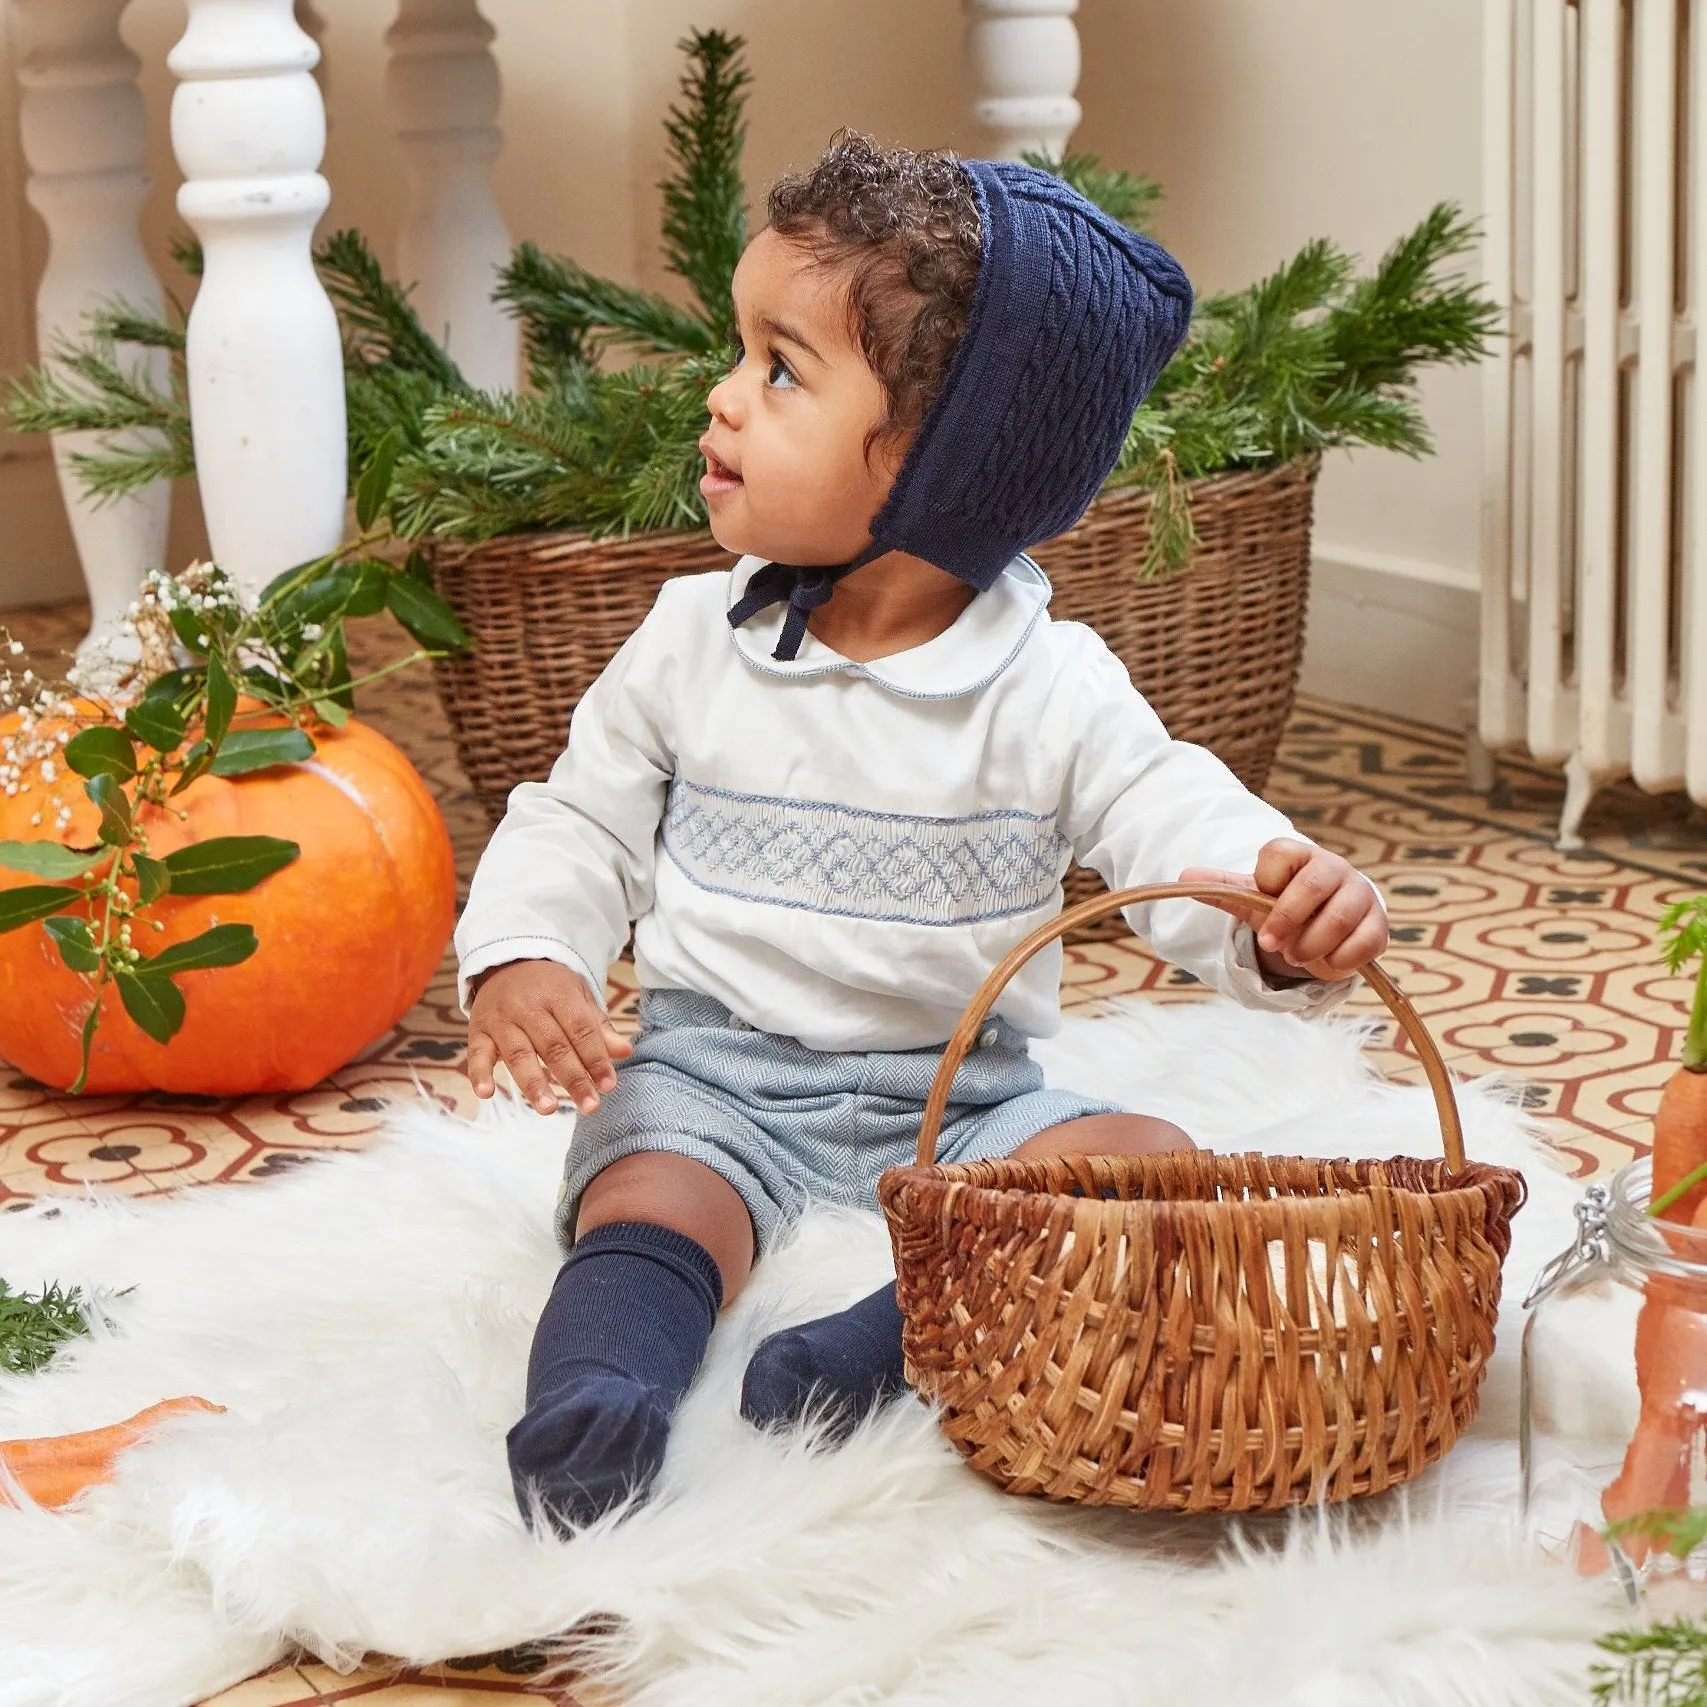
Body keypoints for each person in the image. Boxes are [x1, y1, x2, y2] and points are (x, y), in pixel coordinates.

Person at [456, 134, 1388, 1535]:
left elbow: (1169, 814)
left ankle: (882, 1347)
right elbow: (575, 819)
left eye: (779, 369)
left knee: (1143, 1158)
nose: (719, 398)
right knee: (646, 1188)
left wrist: (1274, 906)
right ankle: (599, 1402)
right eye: (739, 349)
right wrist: (531, 952)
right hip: (721, 1079)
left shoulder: (1046, 683)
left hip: (968, 1095)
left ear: (944, 465)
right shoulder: (686, 644)